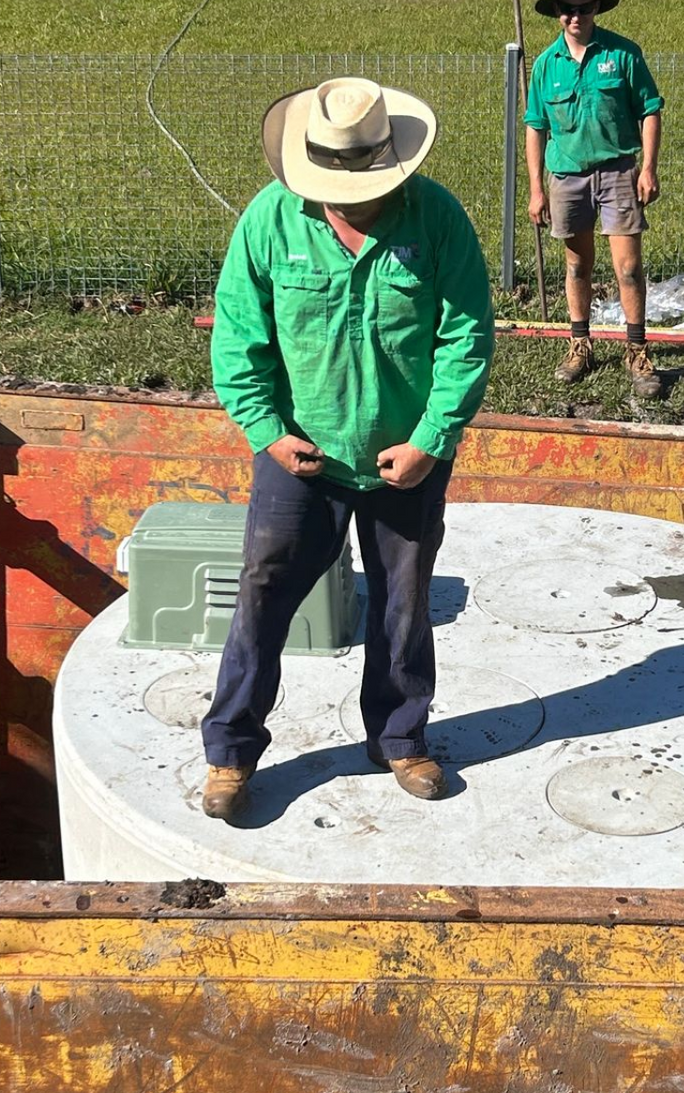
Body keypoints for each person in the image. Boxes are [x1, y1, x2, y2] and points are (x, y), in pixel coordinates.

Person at [199, 76, 495, 821]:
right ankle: (230, 751)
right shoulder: (268, 222)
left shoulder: (439, 221)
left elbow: (466, 337)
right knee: (263, 596)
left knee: (403, 602)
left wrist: (431, 440)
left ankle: (400, 737)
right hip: (303, 455)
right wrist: (267, 431)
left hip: (408, 460)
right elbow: (239, 340)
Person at [522, 0, 666, 402]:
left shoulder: (622, 55)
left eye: (584, 8)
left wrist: (647, 167)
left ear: (596, 7)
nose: (575, 16)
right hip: (566, 177)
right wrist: (536, 188)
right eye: (567, 9)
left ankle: (637, 350)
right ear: (558, 13)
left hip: (618, 172)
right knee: (577, 266)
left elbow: (650, 110)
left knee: (627, 267)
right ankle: (580, 344)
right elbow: (535, 127)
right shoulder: (546, 65)